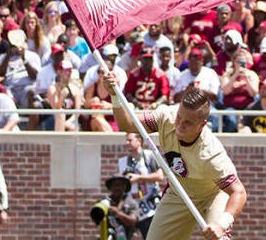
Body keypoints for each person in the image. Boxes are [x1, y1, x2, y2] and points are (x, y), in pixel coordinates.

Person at [103, 71, 247, 240]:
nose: (179, 126)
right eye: (179, 118)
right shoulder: (165, 116)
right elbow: (127, 124)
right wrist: (114, 95)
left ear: (202, 125)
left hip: (213, 194)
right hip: (179, 191)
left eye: (188, 123)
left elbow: (239, 192)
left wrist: (221, 224)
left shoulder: (211, 154)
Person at [117, 131, 163, 237]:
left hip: (150, 208)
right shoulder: (123, 162)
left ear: (139, 141)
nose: (127, 143)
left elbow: (160, 176)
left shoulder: (148, 156)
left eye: (130, 140)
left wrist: (139, 178)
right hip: (131, 208)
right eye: (126, 140)